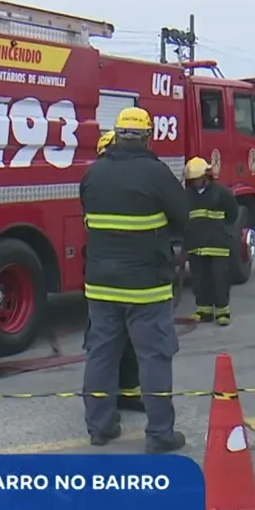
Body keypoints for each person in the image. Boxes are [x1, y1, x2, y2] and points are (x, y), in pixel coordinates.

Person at [80, 108, 190, 452]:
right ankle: (159, 434)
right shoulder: (156, 173)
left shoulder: (93, 174)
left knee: (101, 355)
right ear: (147, 137)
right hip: (146, 287)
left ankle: (99, 428)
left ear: (116, 135)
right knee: (154, 357)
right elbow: (183, 217)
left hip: (100, 285)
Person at [94, 129, 145, 413]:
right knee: (122, 345)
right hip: (132, 279)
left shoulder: (93, 179)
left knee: (107, 348)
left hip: (102, 281)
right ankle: (118, 399)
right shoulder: (130, 178)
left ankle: (111, 404)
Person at [182, 156, 239, 326]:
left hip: (218, 245)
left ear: (207, 176)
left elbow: (232, 214)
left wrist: (221, 230)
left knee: (219, 278)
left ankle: (223, 312)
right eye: (193, 180)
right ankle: (203, 311)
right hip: (196, 245)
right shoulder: (186, 195)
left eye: (198, 179)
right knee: (199, 279)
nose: (196, 182)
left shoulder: (222, 193)